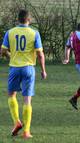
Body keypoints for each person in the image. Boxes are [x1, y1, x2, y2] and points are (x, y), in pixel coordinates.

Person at [1, 9, 47, 138]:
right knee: (27, 100)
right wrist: (43, 70)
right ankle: (26, 131)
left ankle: (16, 122)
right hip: (28, 69)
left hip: (14, 68)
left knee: (11, 95)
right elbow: (40, 54)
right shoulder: (34, 33)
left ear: (18, 19)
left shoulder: (10, 32)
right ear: (29, 20)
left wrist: (11, 56)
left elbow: (3, 51)